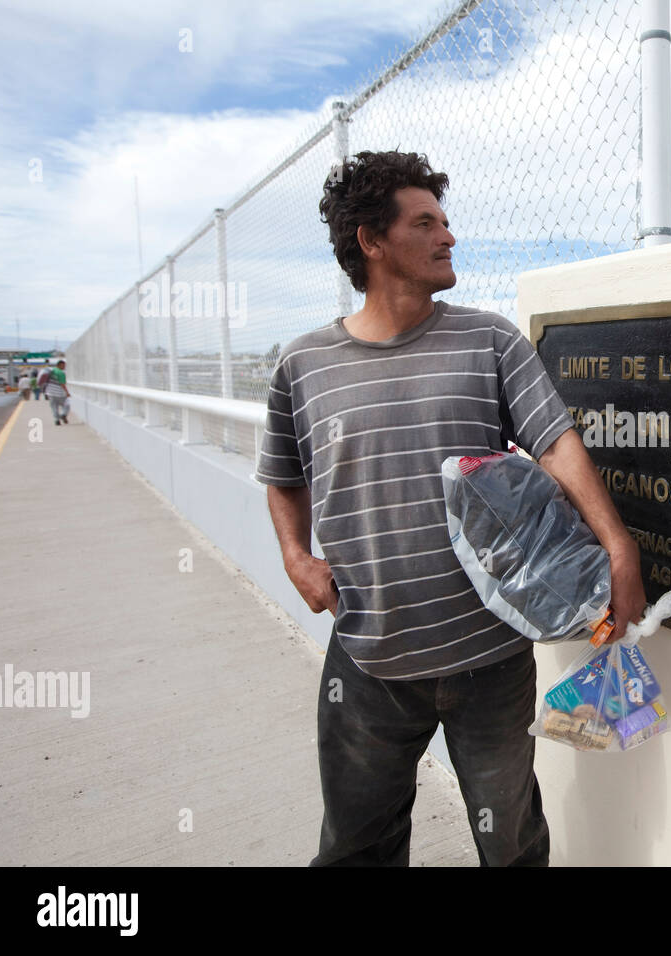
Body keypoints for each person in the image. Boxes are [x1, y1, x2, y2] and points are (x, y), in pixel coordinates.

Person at [256, 150, 646, 867]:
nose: (448, 236)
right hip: (367, 658)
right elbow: (282, 474)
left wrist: (618, 547)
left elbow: (555, 445)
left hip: (490, 659)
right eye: (426, 222)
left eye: (445, 220)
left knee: (512, 844)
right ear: (372, 242)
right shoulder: (302, 365)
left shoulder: (490, 340)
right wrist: (295, 555)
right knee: (356, 845)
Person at [44, 359, 70, 425]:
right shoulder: (61, 373)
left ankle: (56, 420)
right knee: (66, 405)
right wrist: (67, 392)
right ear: (60, 365)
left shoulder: (51, 371)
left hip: (50, 392)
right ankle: (63, 414)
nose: (64, 367)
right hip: (59, 393)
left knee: (54, 407)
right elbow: (62, 384)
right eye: (64, 365)